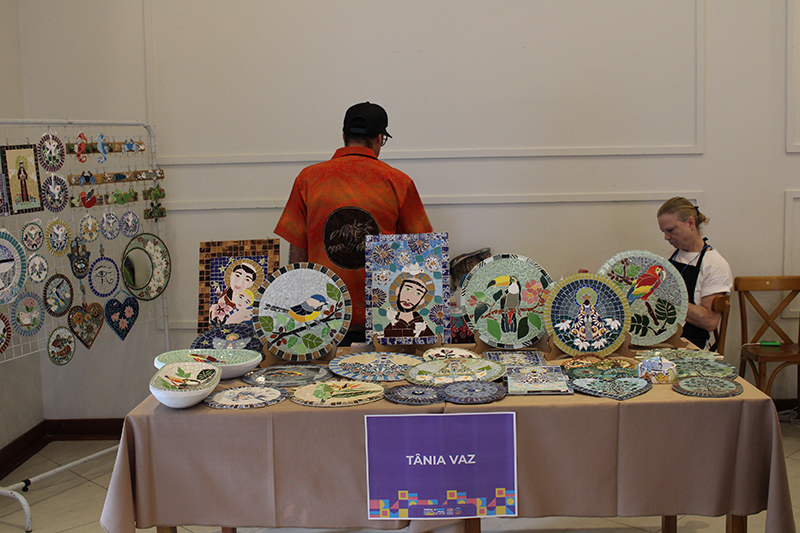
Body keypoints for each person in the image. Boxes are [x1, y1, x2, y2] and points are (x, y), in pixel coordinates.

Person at [274, 102, 432, 345]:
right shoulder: (399, 182)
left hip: (321, 314)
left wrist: (296, 304)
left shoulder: (308, 179)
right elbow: (419, 251)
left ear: (344, 135)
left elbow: (298, 251)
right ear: (379, 139)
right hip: (381, 317)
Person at [657, 197, 733, 349]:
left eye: (671, 230)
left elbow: (709, 321)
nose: (666, 237)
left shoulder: (714, 265)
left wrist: (669, 299)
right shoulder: (668, 257)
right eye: (663, 232)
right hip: (660, 339)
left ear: (690, 223)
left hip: (691, 346)